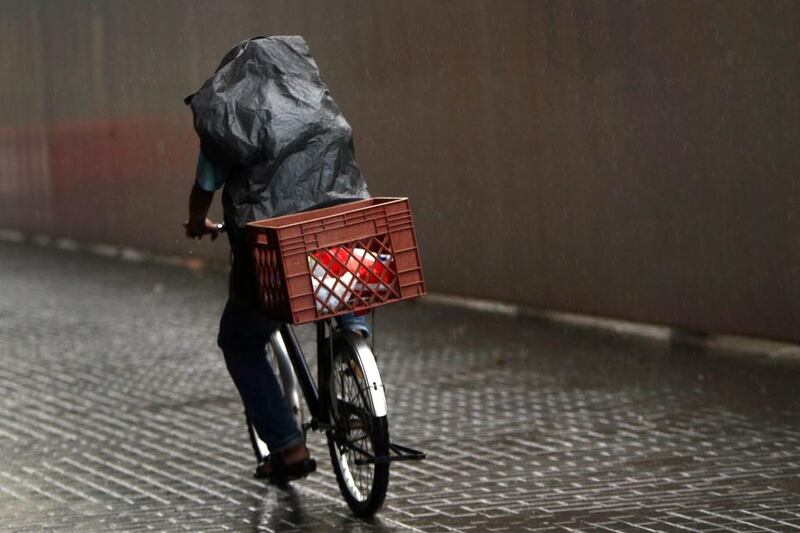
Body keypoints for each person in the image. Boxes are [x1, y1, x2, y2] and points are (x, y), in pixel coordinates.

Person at [183, 36, 371, 483]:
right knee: (351, 278)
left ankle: (288, 448)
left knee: (241, 341)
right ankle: (355, 342)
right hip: (339, 232)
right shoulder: (317, 103)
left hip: (277, 248)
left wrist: (196, 222)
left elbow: (204, 189)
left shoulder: (229, 120)